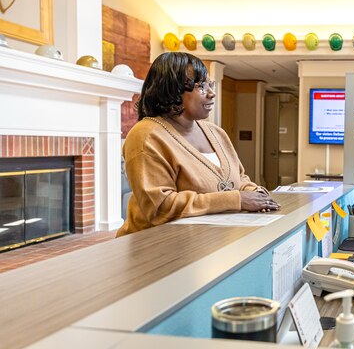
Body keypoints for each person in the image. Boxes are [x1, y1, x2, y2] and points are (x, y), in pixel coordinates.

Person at [117, 52, 279, 237]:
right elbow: (160, 207)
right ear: (172, 90)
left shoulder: (215, 132)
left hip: (208, 243)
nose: (212, 93)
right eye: (201, 86)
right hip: (158, 249)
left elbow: (239, 178)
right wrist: (236, 200)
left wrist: (255, 193)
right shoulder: (146, 135)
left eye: (210, 84)